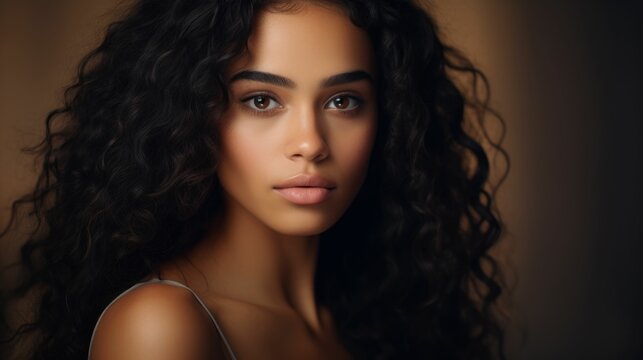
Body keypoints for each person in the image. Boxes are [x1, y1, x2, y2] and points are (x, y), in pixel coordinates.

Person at [0, 0, 509, 359]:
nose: (310, 142)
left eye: (343, 100)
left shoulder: (385, 312)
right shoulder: (162, 327)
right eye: (261, 100)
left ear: (389, 119)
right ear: (191, 116)